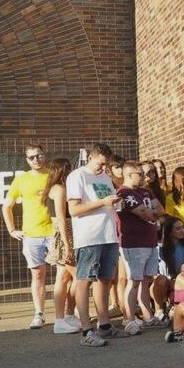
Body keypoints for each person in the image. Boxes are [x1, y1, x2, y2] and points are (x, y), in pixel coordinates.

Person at [66, 143, 124, 346]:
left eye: (106, 164)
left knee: (105, 279)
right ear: (91, 158)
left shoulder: (105, 177)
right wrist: (103, 202)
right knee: (84, 280)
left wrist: (115, 202)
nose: (103, 168)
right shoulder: (78, 176)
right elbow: (74, 209)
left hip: (108, 235)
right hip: (90, 236)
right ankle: (86, 331)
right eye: (100, 164)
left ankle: (105, 325)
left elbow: (108, 202)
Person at [1, 144, 55, 330]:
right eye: (32, 157)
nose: (36, 159)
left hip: (55, 232)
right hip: (32, 234)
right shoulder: (21, 179)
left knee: (66, 275)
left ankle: (68, 314)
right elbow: (6, 206)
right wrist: (12, 230)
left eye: (39, 155)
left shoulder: (54, 175)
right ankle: (39, 314)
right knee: (38, 275)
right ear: (27, 160)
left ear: (44, 155)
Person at [116, 162, 166, 335]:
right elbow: (143, 212)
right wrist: (153, 215)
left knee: (145, 279)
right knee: (134, 280)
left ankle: (148, 317)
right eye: (140, 174)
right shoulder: (124, 192)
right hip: (133, 242)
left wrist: (154, 214)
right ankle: (130, 320)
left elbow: (160, 208)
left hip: (150, 240)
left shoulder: (146, 191)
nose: (144, 177)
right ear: (129, 174)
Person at [41, 157, 82, 334]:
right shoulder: (59, 189)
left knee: (66, 277)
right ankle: (60, 319)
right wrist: (67, 245)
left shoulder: (56, 188)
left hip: (68, 233)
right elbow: (60, 217)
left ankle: (68, 315)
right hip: (65, 234)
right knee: (78, 277)